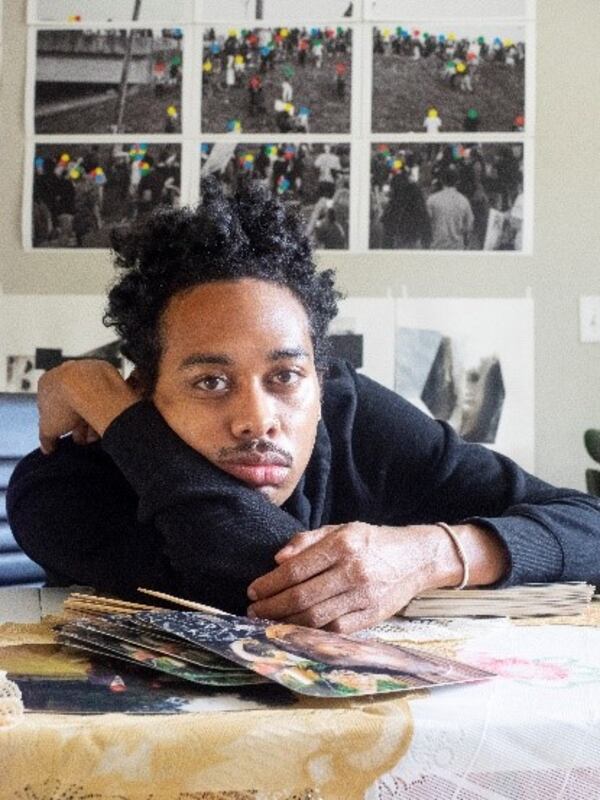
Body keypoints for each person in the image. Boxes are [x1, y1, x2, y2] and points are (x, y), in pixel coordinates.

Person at [7, 180, 600, 635]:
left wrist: (433, 554)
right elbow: (260, 580)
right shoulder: (62, 486)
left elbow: (588, 526)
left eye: (286, 376)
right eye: (210, 381)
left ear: (320, 378)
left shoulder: (348, 413)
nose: (257, 418)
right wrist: (110, 408)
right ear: (142, 390)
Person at [426, 166, 474, 249]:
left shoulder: (432, 199)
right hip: (457, 247)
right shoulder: (464, 201)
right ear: (457, 182)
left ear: (441, 180)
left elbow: (427, 222)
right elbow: (469, 225)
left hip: (437, 245)